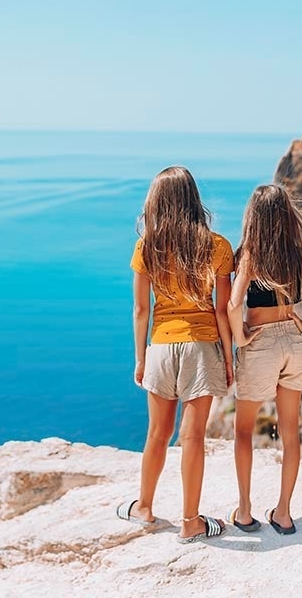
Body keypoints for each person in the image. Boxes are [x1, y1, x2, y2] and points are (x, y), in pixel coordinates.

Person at [116, 166, 234, 543]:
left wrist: (140, 358)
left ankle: (145, 508)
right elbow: (222, 310)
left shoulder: (146, 246)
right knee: (193, 437)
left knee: (157, 433)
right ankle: (190, 523)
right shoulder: (217, 246)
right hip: (202, 348)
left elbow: (140, 310)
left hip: (161, 348)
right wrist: (229, 360)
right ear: (193, 200)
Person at [227, 184, 302, 535]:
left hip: (261, 342)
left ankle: (246, 511)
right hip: (293, 344)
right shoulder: (299, 256)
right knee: (290, 431)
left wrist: (240, 337)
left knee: (244, 431)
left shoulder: (250, 255)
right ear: (286, 217)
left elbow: (235, 304)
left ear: (254, 219)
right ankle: (283, 513)